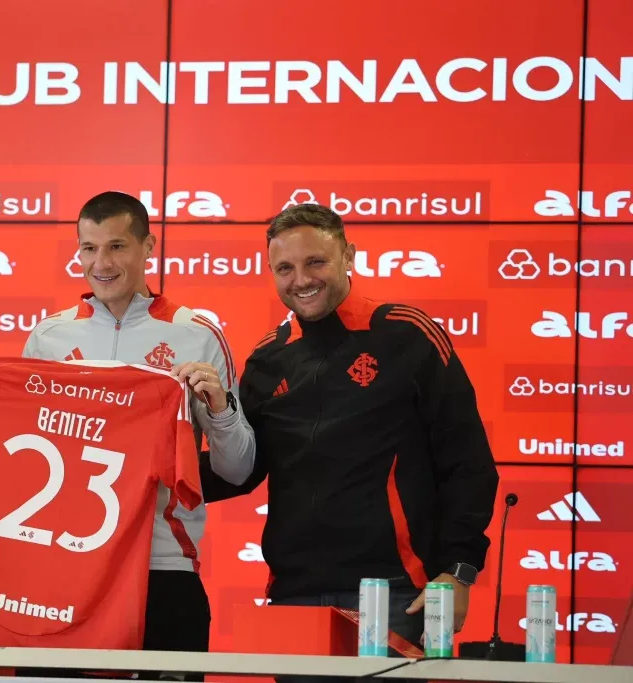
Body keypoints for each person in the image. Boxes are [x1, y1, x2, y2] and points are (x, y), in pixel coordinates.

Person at [202, 203, 499, 680]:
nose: (301, 279)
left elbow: (467, 460)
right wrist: (150, 465)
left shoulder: (406, 335)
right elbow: (238, 471)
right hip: (294, 594)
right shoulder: (266, 358)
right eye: (285, 268)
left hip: (397, 593)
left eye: (315, 262)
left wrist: (459, 570)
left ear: (348, 256)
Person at [14, 190, 256, 679]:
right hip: (67, 570)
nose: (100, 263)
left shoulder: (197, 335)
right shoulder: (47, 338)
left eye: (117, 247)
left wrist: (221, 409)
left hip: (164, 568)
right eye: (89, 248)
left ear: (149, 248)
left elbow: (238, 469)